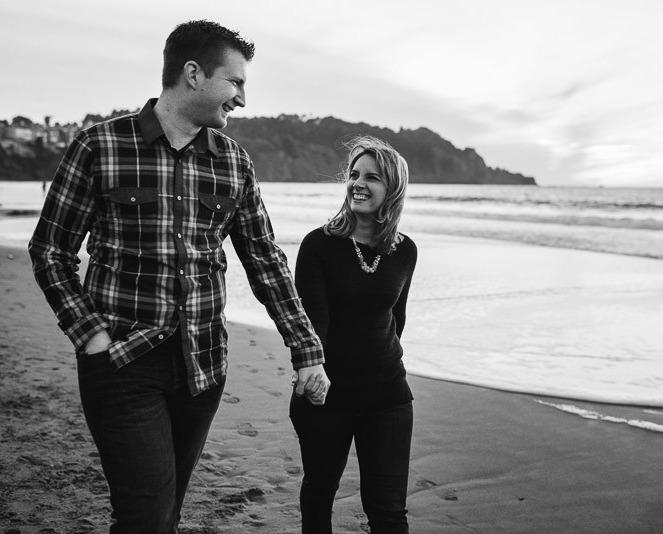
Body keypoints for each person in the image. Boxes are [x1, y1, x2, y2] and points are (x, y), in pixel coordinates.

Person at [28, 20, 329, 533]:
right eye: (235, 82)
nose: (241, 98)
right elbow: (51, 249)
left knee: (166, 513)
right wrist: (91, 335)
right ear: (193, 74)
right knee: (144, 514)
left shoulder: (234, 163)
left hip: (204, 366)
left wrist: (306, 350)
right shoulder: (100, 146)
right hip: (123, 362)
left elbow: (264, 260)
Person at [290, 135, 417, 533]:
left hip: (388, 395)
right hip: (328, 393)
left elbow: (396, 319)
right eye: (354, 174)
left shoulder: (406, 250)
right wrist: (309, 373)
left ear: (392, 189)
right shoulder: (318, 246)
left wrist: (380, 364)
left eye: (372, 177)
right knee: (320, 494)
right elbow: (313, 325)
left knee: (388, 510)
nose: (358, 183)